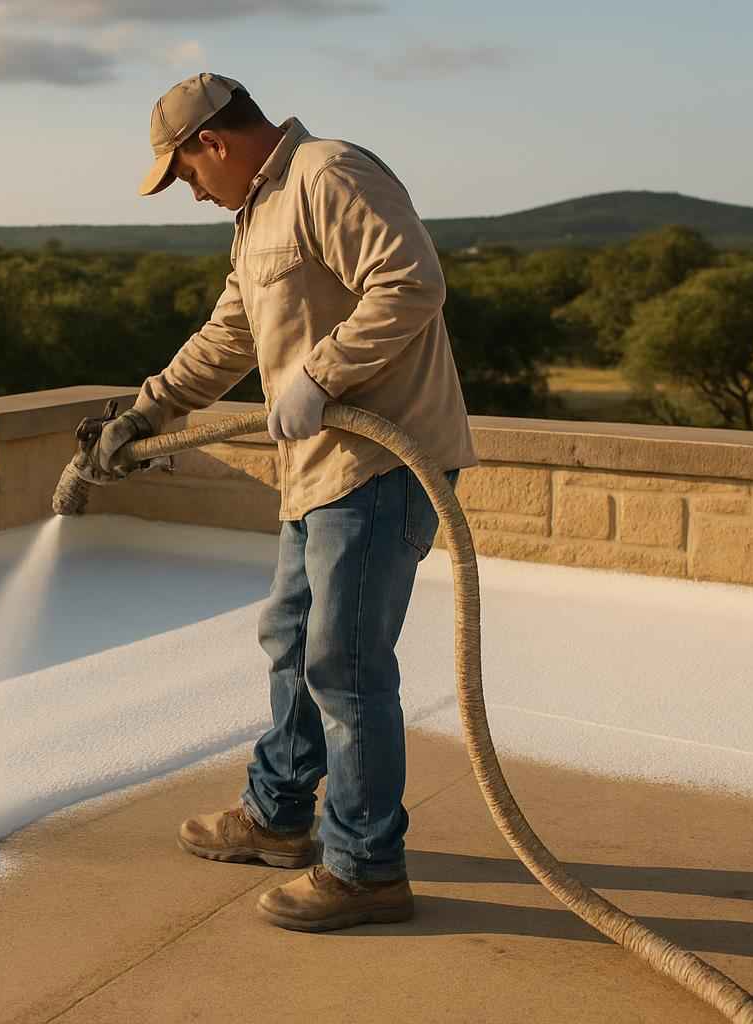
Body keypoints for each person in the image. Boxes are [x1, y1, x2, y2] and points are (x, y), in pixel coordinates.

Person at [93, 73, 478, 932]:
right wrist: (146, 409)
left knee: (344, 666)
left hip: (379, 466)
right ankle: (277, 818)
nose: (190, 192)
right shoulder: (258, 216)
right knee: (294, 642)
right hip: (319, 471)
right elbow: (229, 336)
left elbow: (411, 282)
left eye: (186, 174)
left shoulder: (328, 176)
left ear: (214, 144)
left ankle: (367, 868)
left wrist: (321, 373)